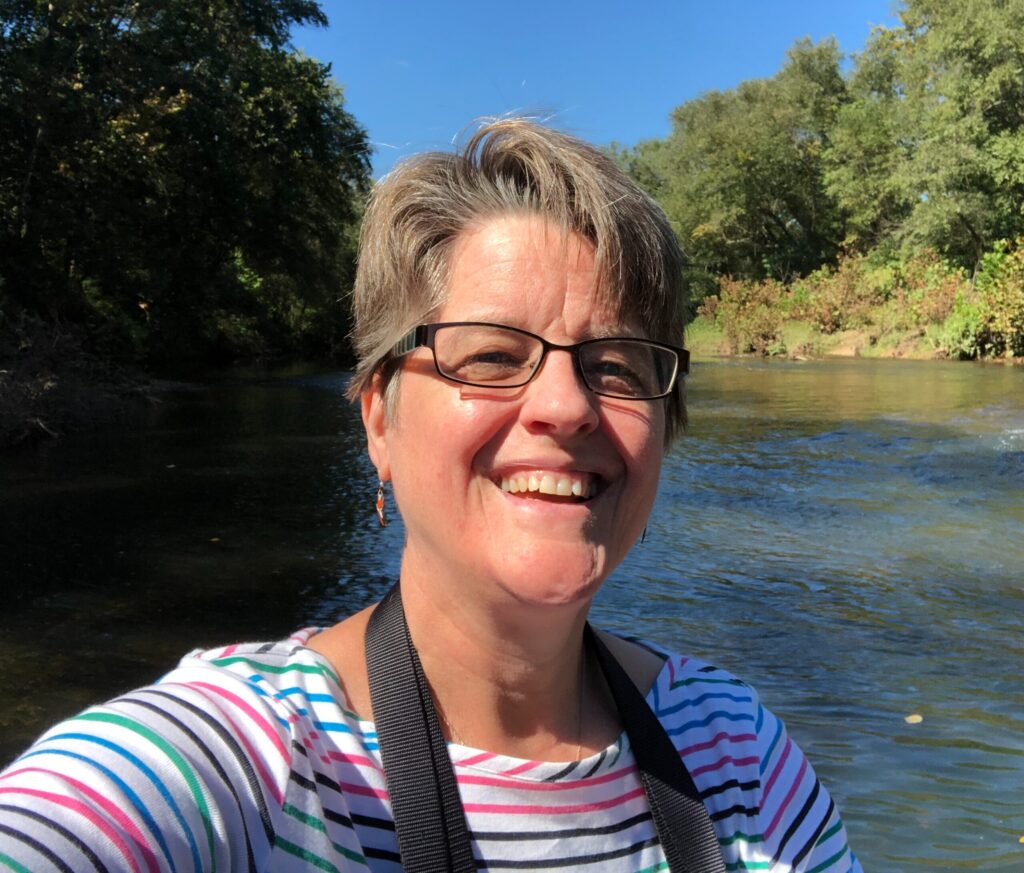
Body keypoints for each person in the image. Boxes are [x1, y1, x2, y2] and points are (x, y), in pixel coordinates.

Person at [0, 119, 861, 872]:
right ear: (380, 418)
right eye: (489, 355)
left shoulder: (735, 757)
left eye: (616, 364)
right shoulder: (250, 756)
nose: (564, 405)